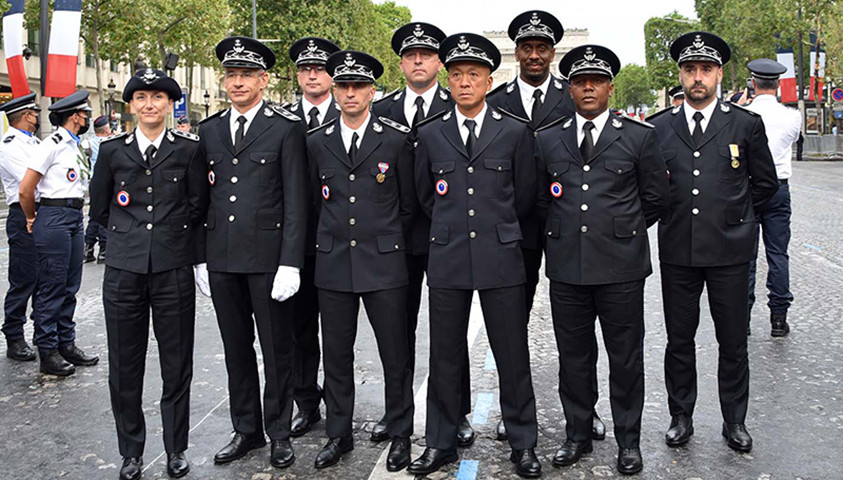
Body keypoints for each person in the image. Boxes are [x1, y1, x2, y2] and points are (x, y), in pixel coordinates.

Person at [407, 33, 541, 478]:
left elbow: (524, 195)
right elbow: (424, 196)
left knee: (512, 353)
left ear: (489, 80)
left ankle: (523, 443)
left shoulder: (514, 131)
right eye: (458, 75)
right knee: (444, 355)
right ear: (448, 81)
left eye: (475, 75)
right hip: (447, 255)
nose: (466, 83)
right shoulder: (430, 133)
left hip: (501, 254)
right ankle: (440, 442)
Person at [535, 45, 669, 475]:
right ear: (569, 88)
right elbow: (539, 201)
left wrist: (619, 231)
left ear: (610, 87)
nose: (587, 87)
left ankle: (628, 440)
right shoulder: (547, 138)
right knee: (573, 357)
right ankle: (577, 434)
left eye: (595, 81)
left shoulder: (638, 136)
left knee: (625, 357)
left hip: (621, 268)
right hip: (568, 267)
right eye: (578, 81)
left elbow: (655, 198)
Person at [646, 31, 778, 453]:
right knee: (679, 340)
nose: (697, 78)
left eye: (705, 70)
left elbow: (765, 184)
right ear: (681, 76)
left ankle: (733, 419)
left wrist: (736, 218)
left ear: (719, 74)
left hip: (730, 252)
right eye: (690, 70)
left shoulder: (745, 124)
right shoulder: (658, 129)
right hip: (679, 251)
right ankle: (680, 416)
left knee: (733, 340)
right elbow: (650, 188)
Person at [487, 9, 602, 443]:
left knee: (578, 328)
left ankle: (585, 410)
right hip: (510, 228)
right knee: (509, 326)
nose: (534, 55)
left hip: (566, 224)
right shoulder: (495, 102)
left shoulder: (574, 95)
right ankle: (512, 408)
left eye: (542, 48)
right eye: (527, 47)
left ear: (554, 52)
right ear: (515, 52)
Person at [196, 36, 307, 469]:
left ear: (263, 79)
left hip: (268, 261)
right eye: (231, 75)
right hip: (222, 258)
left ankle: (279, 431)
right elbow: (200, 199)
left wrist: (290, 262)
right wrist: (200, 259)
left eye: (246, 75)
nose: (237, 82)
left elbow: (297, 200)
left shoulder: (285, 128)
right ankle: (247, 430)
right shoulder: (209, 130)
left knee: (278, 349)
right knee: (235, 348)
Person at [89, 69, 206, 480]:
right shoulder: (111, 152)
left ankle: (176, 448)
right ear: (131, 105)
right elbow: (100, 208)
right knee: (125, 364)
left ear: (169, 104)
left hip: (172, 268)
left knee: (177, 364)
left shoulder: (189, 150)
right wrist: (130, 240)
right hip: (124, 270)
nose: (149, 104)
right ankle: (131, 452)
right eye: (141, 97)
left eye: (158, 97)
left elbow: (197, 206)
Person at [307, 49, 416, 472]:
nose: (350, 93)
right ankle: (339, 434)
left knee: (395, 352)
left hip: (385, 263)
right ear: (334, 91)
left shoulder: (394, 138)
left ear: (373, 91)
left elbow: (409, 206)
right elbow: (315, 202)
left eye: (358, 86)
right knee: (336, 354)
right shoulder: (316, 141)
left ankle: (401, 432)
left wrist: (388, 243)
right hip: (333, 262)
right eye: (343, 86)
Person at [371, 21, 476, 447]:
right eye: (411, 55)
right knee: (396, 331)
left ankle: (456, 411)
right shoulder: (381, 111)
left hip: (448, 233)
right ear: (401, 64)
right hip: (395, 237)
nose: (418, 61)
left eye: (427, 55)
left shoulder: (461, 106)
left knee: (451, 330)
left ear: (439, 63)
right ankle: (397, 411)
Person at [17, 90, 100, 377]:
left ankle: (66, 342)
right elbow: (26, 188)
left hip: (75, 214)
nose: (87, 117)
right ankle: (47, 349)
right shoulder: (50, 145)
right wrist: (30, 216)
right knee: (51, 285)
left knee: (69, 284)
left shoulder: (74, 145)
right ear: (76, 116)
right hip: (53, 215)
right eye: (85, 113)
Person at [284, 36, 341, 438]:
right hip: (298, 243)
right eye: (305, 69)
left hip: (343, 239)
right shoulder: (283, 120)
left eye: (319, 68)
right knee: (298, 330)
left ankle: (341, 404)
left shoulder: (354, 111)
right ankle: (306, 401)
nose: (312, 75)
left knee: (341, 333)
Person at [744, 58, 802, 337]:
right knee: (778, 254)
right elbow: (791, 141)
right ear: (777, 85)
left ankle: (742, 318)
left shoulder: (741, 114)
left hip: (748, 188)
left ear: (753, 83)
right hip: (779, 187)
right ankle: (778, 318)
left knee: (745, 255)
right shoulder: (792, 116)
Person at [0, 94, 41, 362]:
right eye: (35, 112)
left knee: (47, 277)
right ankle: (14, 335)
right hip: (23, 213)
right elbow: (31, 180)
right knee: (24, 278)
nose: (38, 116)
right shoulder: (9, 145)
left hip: (42, 212)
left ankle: (44, 331)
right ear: (26, 115)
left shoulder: (34, 142)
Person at [83, 114, 111, 264]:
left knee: (94, 214)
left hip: (94, 181)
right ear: (106, 129)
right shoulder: (110, 143)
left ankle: (88, 247)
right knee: (105, 215)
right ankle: (104, 249)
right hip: (107, 181)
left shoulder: (89, 143)